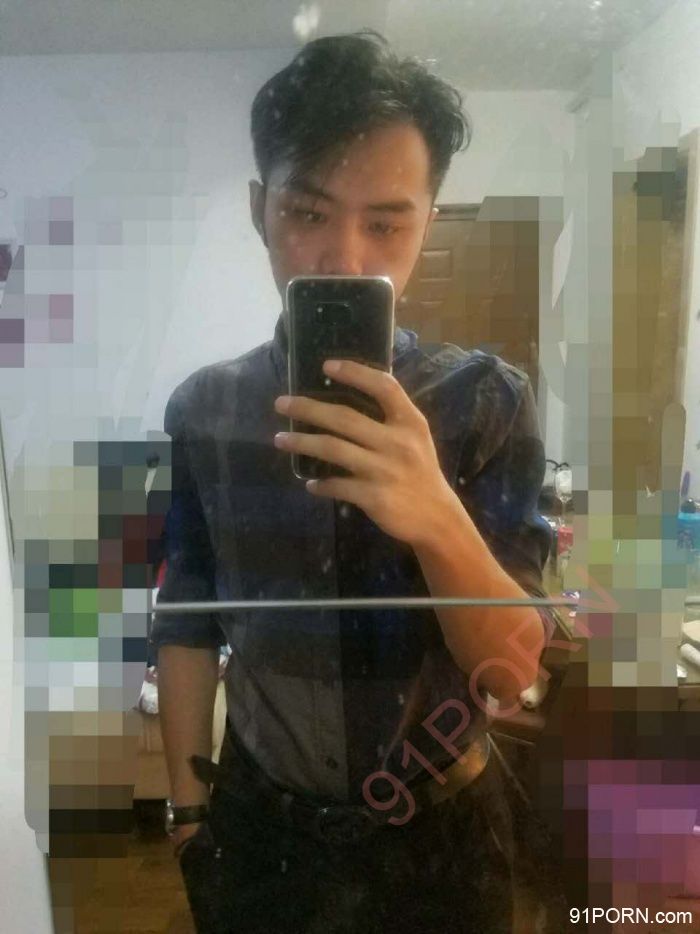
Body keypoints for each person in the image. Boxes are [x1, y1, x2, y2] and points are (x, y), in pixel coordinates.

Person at [150, 29, 568, 934]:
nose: (342, 256)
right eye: (307, 211)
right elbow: (186, 618)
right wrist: (187, 813)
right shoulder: (204, 410)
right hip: (260, 837)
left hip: (442, 837)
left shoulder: (487, 403)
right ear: (259, 209)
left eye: (385, 222)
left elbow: (510, 672)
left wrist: (437, 516)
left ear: (429, 222)